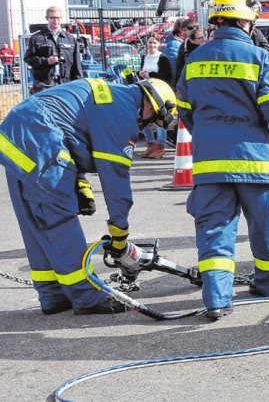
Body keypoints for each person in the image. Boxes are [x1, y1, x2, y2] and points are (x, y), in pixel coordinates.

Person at [0, 76, 177, 315]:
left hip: (16, 137)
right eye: (153, 120)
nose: (147, 127)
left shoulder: (112, 95)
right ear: (150, 104)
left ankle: (53, 294)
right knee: (59, 219)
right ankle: (86, 296)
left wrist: (80, 181)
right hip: (39, 138)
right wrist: (119, 234)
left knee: (37, 220)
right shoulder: (123, 114)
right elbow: (116, 185)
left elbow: (73, 130)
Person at [177, 0, 269, 321]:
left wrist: (209, 131)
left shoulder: (194, 60)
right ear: (245, 21)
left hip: (210, 160)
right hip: (255, 159)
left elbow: (185, 111)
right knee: (264, 226)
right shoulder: (258, 57)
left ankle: (217, 299)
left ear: (216, 20)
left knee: (215, 230)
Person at [24, 6, 84, 93]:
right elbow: (28, 58)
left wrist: (78, 83)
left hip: (65, 83)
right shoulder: (37, 38)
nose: (56, 20)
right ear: (47, 18)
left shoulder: (70, 39)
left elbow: (76, 64)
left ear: (61, 18)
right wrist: (46, 61)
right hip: (44, 84)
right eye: (52, 18)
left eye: (58, 18)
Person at [137, 34, 174, 159]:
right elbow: (142, 71)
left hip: (159, 92)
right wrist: (140, 73)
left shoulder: (162, 58)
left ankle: (160, 146)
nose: (152, 45)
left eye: (154, 43)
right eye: (150, 42)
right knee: (144, 118)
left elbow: (167, 75)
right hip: (146, 91)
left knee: (159, 119)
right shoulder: (145, 56)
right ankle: (150, 144)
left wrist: (151, 74)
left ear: (158, 44)